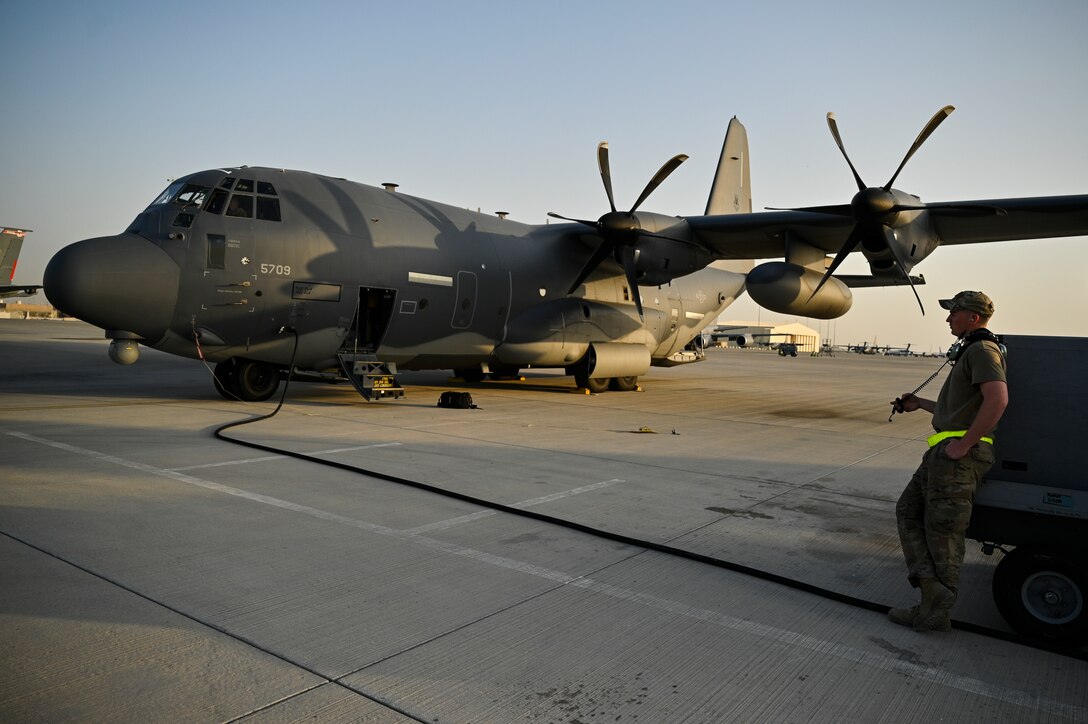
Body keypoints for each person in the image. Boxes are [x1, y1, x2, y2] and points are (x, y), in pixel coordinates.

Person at [889, 290, 1009, 632]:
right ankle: (931, 591)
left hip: (957, 457)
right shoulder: (971, 351)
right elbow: (960, 410)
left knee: (943, 533)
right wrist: (921, 405)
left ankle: (934, 613)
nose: (948, 318)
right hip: (943, 454)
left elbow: (997, 400)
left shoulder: (983, 350)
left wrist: (964, 445)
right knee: (908, 512)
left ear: (973, 317)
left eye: (953, 312)